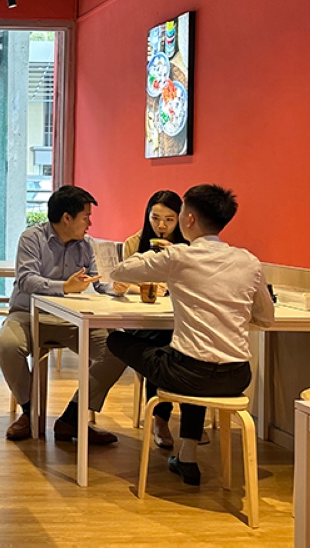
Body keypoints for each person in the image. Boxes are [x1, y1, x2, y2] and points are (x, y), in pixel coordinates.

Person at [108, 184, 274, 486]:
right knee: (189, 358)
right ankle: (187, 457)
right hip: (237, 376)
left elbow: (120, 272)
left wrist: (165, 257)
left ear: (189, 219)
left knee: (117, 340)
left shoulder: (179, 257)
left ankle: (163, 421)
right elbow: (265, 316)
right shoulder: (249, 261)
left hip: (187, 372)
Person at [0, 185, 127, 444]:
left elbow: (101, 282)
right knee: (8, 346)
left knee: (116, 349)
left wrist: (118, 287)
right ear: (66, 218)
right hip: (28, 314)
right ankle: (29, 410)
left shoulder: (87, 245)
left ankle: (73, 417)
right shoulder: (32, 238)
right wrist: (64, 287)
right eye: (86, 216)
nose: (90, 223)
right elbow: (26, 280)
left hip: (71, 318)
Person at [121, 190, 188, 450]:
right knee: (163, 343)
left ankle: (187, 415)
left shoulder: (188, 248)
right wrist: (143, 287)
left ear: (180, 219)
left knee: (180, 341)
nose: (161, 226)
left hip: (177, 320)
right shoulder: (134, 243)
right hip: (141, 321)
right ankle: (162, 419)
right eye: (155, 217)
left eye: (169, 219)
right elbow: (124, 282)